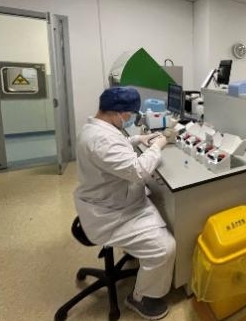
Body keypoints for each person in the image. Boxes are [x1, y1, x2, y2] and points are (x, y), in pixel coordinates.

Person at [74, 87, 175, 320]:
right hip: (111, 215)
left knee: (156, 199)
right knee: (164, 248)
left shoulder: (96, 127)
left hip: (114, 201)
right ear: (118, 112)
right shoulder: (100, 140)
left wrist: (138, 139)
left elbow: (116, 143)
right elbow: (138, 171)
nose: (130, 118)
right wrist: (157, 146)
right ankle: (140, 298)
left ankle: (138, 255)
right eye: (129, 114)